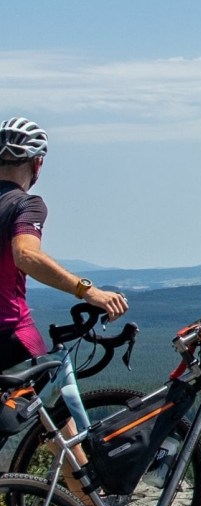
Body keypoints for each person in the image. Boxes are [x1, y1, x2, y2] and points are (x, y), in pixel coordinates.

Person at [0, 117, 128, 372]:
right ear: (38, 163)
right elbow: (25, 254)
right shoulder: (26, 204)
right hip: (9, 331)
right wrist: (89, 291)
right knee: (53, 402)